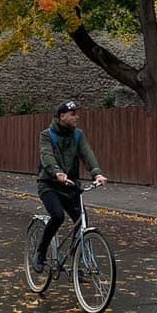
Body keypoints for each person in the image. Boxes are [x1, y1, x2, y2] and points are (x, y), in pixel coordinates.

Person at [33, 100, 107, 272]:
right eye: (73, 114)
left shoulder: (77, 135)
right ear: (62, 116)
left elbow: (87, 153)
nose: (77, 117)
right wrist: (56, 172)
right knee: (58, 216)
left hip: (70, 185)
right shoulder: (46, 135)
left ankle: (77, 263)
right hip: (49, 185)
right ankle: (41, 252)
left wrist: (97, 173)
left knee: (82, 221)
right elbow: (46, 156)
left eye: (77, 114)